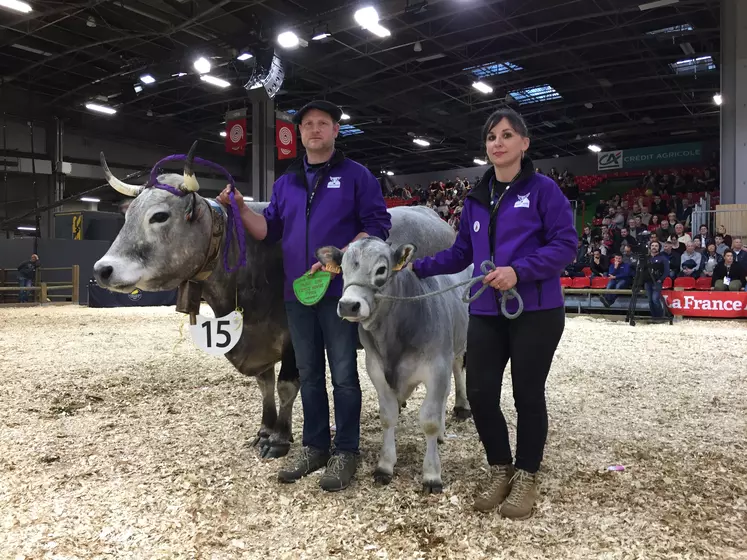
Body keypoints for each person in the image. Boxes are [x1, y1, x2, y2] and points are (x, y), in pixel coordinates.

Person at [408, 108, 577, 520]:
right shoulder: (476, 198)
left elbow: (566, 246)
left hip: (536, 310)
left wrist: (520, 271)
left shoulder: (543, 191)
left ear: (524, 143)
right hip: (485, 310)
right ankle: (499, 468)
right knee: (481, 394)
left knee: (526, 394)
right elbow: (461, 252)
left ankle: (526, 476)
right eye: (491, 137)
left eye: (506, 135)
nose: (497, 143)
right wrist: (415, 267)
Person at [217, 100, 392, 492]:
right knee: (309, 374)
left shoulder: (357, 176)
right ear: (299, 133)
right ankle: (314, 446)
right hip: (298, 294)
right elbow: (268, 231)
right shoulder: (286, 183)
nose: (315, 129)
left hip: (340, 294)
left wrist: (340, 259)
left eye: (323, 123)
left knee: (344, 376)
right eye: (308, 124)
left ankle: (346, 449)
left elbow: (378, 225)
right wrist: (242, 208)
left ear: (335, 131)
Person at [645, 241, 670, 318]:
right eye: (652, 245)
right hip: (647, 282)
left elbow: (666, 271)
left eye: (656, 245)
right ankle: (654, 317)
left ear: (659, 247)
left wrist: (660, 280)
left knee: (655, 299)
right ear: (650, 247)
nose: (654, 247)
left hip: (657, 282)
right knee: (649, 300)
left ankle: (660, 316)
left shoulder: (663, 258)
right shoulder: (646, 258)